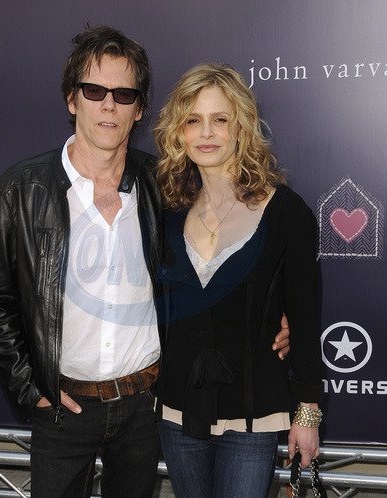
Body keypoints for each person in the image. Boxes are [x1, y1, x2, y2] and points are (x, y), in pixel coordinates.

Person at [0, 25, 291, 498]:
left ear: (139, 109)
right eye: (94, 90)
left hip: (145, 408)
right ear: (71, 99)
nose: (109, 105)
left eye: (124, 94)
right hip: (62, 408)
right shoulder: (21, 190)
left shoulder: (165, 185)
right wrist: (29, 390)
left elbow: (222, 256)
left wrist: (278, 314)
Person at [154, 63, 323, 498]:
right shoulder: (166, 212)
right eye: (193, 120)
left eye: (220, 119)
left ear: (242, 127)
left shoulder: (287, 214)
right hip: (177, 411)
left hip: (254, 416)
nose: (206, 132)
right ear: (179, 132)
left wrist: (307, 415)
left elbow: (304, 321)